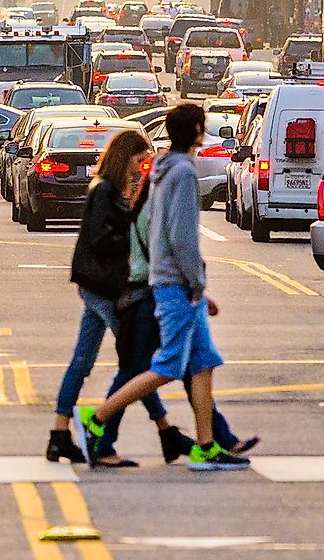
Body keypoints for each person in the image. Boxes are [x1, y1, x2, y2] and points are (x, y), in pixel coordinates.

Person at [73, 102, 248, 471]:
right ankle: (98, 416)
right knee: (168, 366)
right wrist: (196, 281)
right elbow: (181, 235)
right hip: (177, 284)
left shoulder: (162, 170)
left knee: (203, 363)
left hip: (171, 282)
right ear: (199, 131)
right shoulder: (184, 172)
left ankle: (206, 445)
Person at [49, 128, 175, 464]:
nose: (142, 165)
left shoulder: (113, 190)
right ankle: (159, 430)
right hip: (103, 286)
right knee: (136, 364)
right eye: (139, 158)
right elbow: (101, 239)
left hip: (97, 285)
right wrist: (132, 243)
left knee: (84, 361)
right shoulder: (103, 191)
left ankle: (60, 433)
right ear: (125, 156)